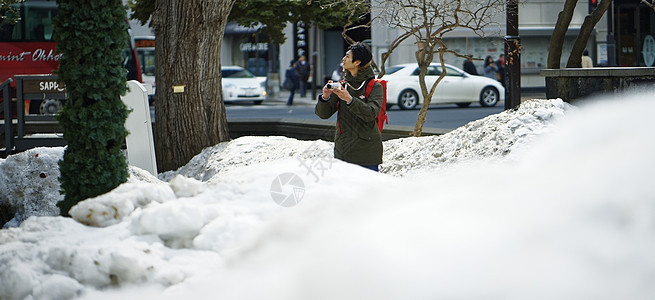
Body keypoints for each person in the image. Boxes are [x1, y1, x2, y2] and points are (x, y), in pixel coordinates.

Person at [315, 42, 383, 172]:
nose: (343, 59)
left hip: (367, 154)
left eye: (347, 56)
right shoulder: (342, 85)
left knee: (369, 192)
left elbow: (370, 114)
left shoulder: (374, 86)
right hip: (343, 153)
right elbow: (323, 115)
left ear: (357, 62)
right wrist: (325, 97)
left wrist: (349, 99)